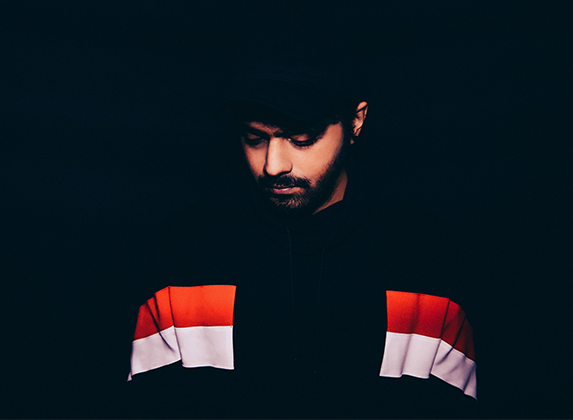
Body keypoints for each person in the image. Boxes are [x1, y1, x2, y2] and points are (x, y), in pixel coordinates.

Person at [123, 32, 480, 418]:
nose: (273, 165)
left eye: (302, 138)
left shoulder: (423, 255)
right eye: (254, 138)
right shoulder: (186, 251)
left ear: (356, 121)